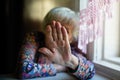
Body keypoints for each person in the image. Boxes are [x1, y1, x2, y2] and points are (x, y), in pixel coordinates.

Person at [16, 7, 95, 80]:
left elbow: (90, 72)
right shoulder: (34, 38)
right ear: (45, 28)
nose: (58, 33)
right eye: (54, 28)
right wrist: (60, 67)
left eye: (65, 31)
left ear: (71, 38)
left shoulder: (71, 48)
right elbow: (23, 70)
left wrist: (70, 61)